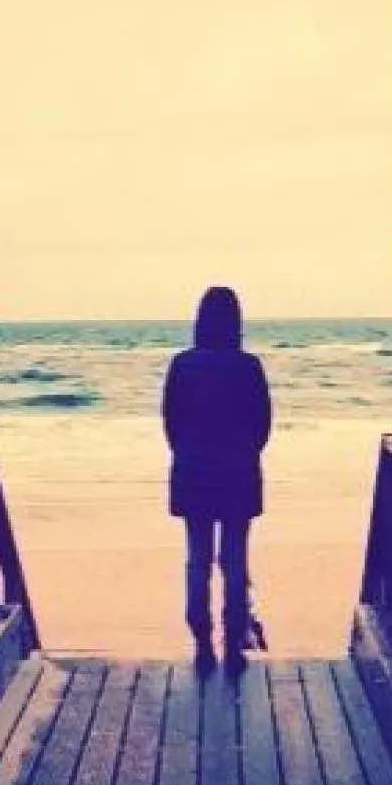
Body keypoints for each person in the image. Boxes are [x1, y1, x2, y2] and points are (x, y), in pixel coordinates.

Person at [161, 287, 272, 672]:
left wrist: (187, 453)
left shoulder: (182, 365)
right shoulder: (249, 366)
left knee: (198, 559)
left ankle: (202, 642)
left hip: (193, 471)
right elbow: (262, 424)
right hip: (239, 471)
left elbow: (170, 422)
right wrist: (245, 453)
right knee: (235, 558)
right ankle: (235, 642)